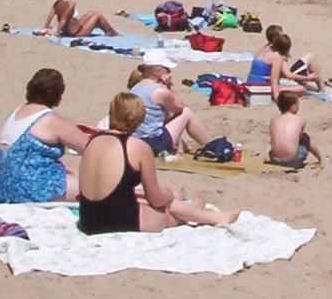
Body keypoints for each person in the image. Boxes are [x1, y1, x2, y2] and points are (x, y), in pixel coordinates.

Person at [77, 92, 236, 234]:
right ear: (139, 119)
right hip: (120, 223)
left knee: (146, 200)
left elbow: (110, 189)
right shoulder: (137, 147)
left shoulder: (92, 141)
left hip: (89, 220)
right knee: (167, 211)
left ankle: (199, 213)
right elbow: (156, 199)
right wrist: (169, 194)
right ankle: (209, 216)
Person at [0, 69, 90, 204]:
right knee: (90, 189)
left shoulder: (16, 112)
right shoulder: (50, 120)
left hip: (0, 188)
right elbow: (90, 147)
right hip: (30, 190)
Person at [126, 52, 212, 156]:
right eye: (167, 69)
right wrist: (169, 84)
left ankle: (184, 146)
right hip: (153, 143)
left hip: (136, 140)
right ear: (158, 71)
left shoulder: (136, 87)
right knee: (186, 113)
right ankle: (211, 146)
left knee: (165, 115)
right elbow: (180, 107)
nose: (169, 72)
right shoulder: (159, 91)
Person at [248, 29, 325, 95]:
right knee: (302, 88)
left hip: (252, 85)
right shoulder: (276, 56)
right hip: (265, 88)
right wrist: (308, 77)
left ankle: (316, 85)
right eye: (281, 34)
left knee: (309, 57)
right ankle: (322, 89)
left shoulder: (264, 50)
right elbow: (287, 75)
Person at [267, 91, 324, 168]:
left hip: (274, 160)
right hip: (292, 161)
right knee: (305, 137)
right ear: (293, 106)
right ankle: (321, 158)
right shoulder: (299, 120)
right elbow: (300, 140)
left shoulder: (273, 120)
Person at [41, 0, 119, 36]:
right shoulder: (71, 3)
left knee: (92, 12)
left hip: (73, 28)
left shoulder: (58, 2)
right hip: (75, 33)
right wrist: (58, 32)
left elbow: (50, 16)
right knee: (97, 15)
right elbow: (64, 18)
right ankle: (111, 32)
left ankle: (109, 31)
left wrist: (45, 27)